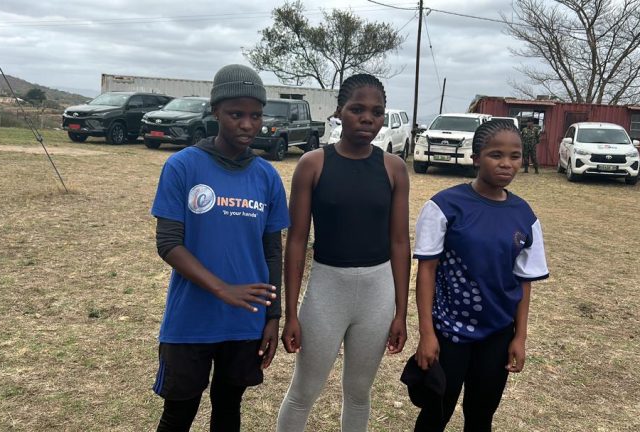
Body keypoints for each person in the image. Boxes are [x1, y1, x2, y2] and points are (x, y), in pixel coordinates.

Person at [150, 64, 290, 432]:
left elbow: (272, 251)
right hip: (191, 320)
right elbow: (168, 243)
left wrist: (273, 316)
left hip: (245, 321)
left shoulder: (266, 176)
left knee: (228, 408)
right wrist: (222, 289)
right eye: (236, 114)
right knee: (178, 414)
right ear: (215, 111)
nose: (247, 124)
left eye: (256, 115)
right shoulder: (182, 166)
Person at [276, 74, 411, 432]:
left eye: (377, 112)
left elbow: (400, 242)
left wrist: (401, 312)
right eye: (357, 109)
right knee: (304, 391)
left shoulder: (394, 168)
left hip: (377, 294)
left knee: (358, 393)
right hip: (327, 290)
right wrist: (291, 313)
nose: (367, 119)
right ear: (339, 111)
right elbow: (296, 241)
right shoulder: (313, 164)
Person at [411, 119, 549, 431]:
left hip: (497, 335)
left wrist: (520, 337)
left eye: (515, 156)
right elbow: (427, 271)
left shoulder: (525, 216)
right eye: (495, 155)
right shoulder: (444, 206)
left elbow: (524, 282)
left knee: (481, 416)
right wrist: (427, 333)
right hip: (449, 333)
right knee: (435, 413)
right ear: (475, 158)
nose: (506, 164)